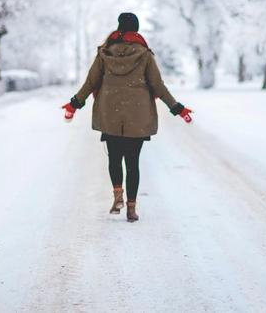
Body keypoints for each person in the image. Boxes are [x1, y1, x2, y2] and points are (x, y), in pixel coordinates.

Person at [62, 12, 192, 223]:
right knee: (133, 163)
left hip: (109, 112)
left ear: (120, 28)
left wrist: (75, 103)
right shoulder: (145, 55)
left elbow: (91, 82)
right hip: (137, 115)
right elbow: (158, 86)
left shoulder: (105, 53)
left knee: (114, 158)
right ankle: (131, 209)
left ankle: (117, 196)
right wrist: (178, 108)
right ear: (136, 30)